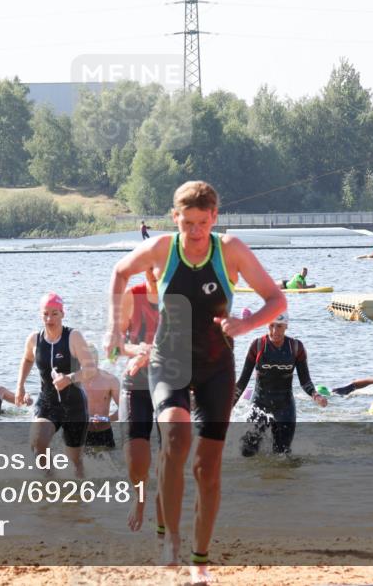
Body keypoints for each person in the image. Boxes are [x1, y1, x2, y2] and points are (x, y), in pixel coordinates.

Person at [106, 180, 287, 579]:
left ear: (215, 218)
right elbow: (120, 273)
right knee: (175, 435)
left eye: (202, 223)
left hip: (216, 366)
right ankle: (170, 539)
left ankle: (200, 561)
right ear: (175, 218)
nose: (194, 232)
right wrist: (115, 333)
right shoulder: (162, 249)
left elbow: (277, 299)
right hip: (168, 361)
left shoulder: (231, 250)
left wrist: (246, 324)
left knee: (207, 469)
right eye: (186, 223)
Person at [15, 292, 97, 478]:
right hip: (48, 401)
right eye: (45, 314)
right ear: (40, 314)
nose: (49, 318)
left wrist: (69, 378)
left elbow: (91, 369)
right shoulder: (35, 339)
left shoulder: (73, 336)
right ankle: (50, 482)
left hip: (74, 405)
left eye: (54, 313)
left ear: (62, 314)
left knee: (75, 463)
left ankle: (79, 498)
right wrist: (20, 386)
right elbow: (27, 359)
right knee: (38, 442)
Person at [233, 312, 326, 456]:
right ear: (266, 325)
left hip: (285, 407)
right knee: (247, 453)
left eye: (279, 326)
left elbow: (305, 380)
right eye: (271, 326)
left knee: (281, 456)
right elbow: (242, 381)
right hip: (259, 406)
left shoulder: (296, 347)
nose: (275, 331)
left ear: (286, 326)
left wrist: (315, 395)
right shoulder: (257, 345)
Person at [117, 268, 165, 533]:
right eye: (152, 267)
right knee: (135, 459)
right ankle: (140, 496)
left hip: (170, 384)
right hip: (135, 382)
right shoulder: (131, 297)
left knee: (169, 457)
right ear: (146, 269)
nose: (157, 273)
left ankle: (162, 520)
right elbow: (113, 343)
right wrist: (138, 350)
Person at [82, 357, 121, 450]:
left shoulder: (111, 380)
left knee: (110, 463)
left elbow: (125, 408)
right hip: (80, 433)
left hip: (104, 432)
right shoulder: (74, 382)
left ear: (97, 361)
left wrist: (108, 419)